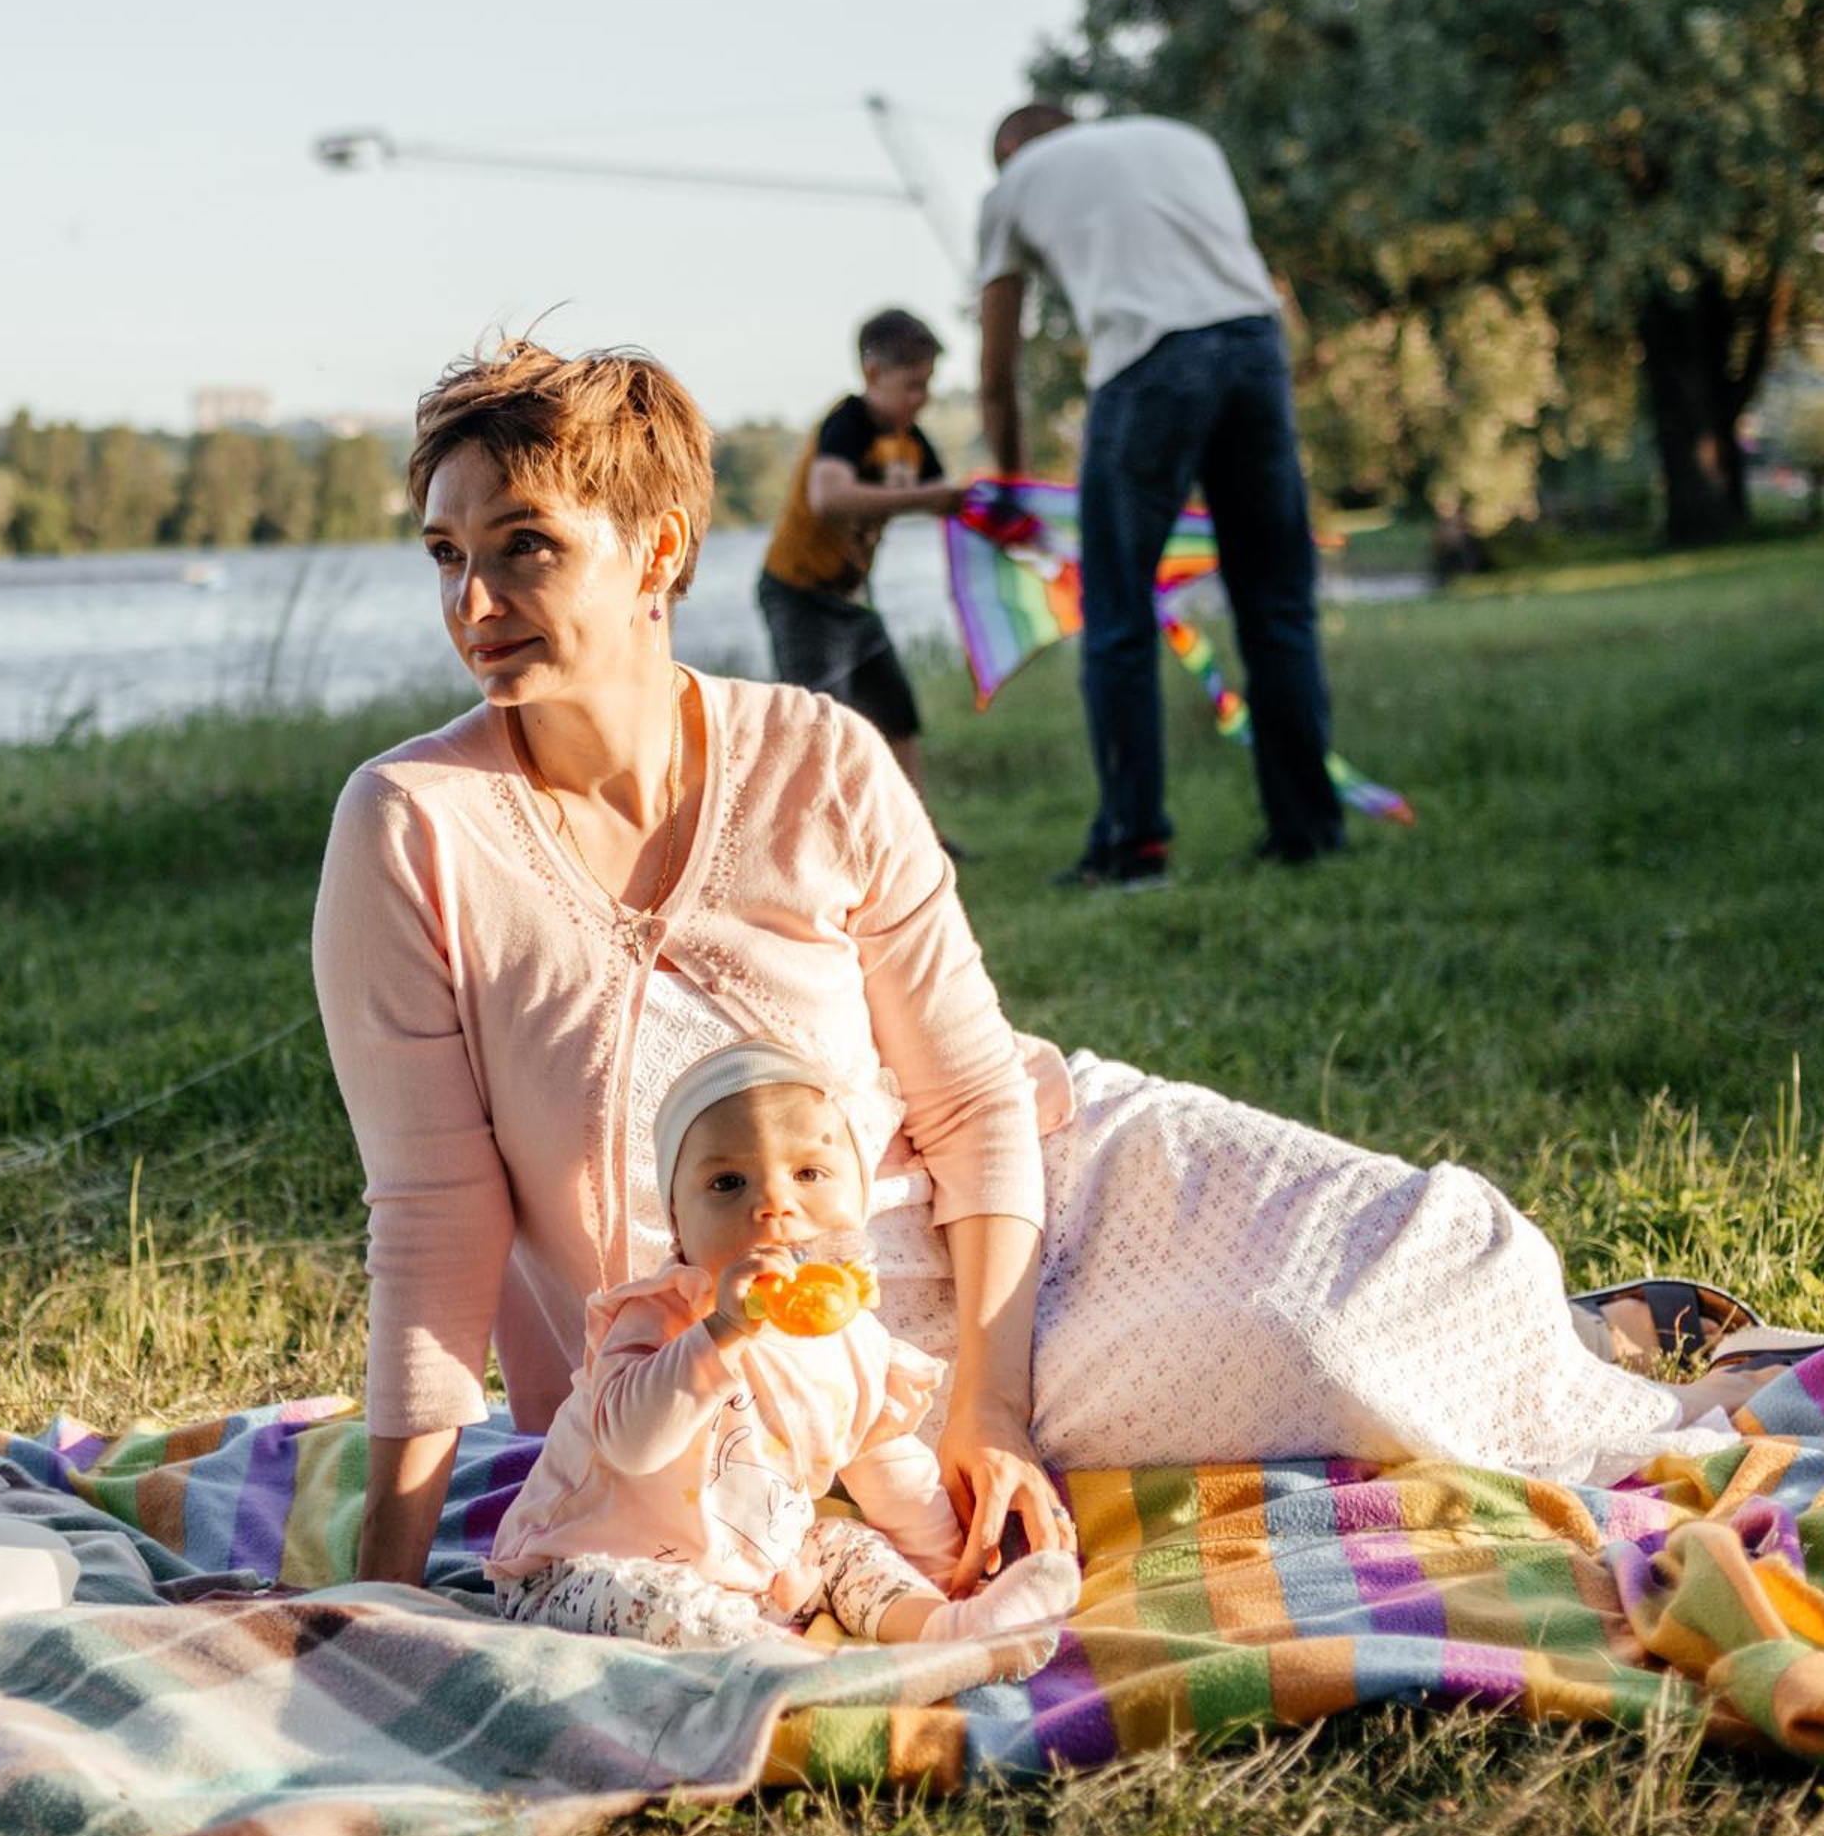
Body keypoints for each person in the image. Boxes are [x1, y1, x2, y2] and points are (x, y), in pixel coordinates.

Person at [312, 337, 1780, 1594]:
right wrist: (384, 1581)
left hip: (1022, 1202)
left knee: (1403, 1257)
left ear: (660, 553)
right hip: (784, 1354)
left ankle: (1597, 1327)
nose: (476, 601)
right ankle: (1586, 1334)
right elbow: (431, 1218)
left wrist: (990, 1412)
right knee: (1319, 1353)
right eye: (450, 555)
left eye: (525, 547)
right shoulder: (410, 828)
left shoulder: (815, 756)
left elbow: (965, 1101)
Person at [487, 1037, 1080, 1657]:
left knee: (847, 1547)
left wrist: (947, 1568)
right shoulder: (657, 1312)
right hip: (580, 1570)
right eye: (727, 1183)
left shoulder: (855, 1343)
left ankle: (952, 1625)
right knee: (658, 1602)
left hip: (755, 1576)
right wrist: (722, 1330)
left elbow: (892, 1475)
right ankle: (775, 1664)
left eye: (808, 1174)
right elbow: (633, 1444)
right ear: (676, 1225)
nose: (772, 1204)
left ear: (859, 1197)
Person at [973, 105, 1338, 889]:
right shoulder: (1184, 139)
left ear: (1008, 154)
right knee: (1277, 605)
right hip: (1254, 347)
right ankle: (1308, 830)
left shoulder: (1010, 189)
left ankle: (1133, 849)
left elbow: (998, 375)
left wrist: (1013, 491)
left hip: (1148, 366)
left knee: (1116, 616)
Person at [756, 308, 963, 801]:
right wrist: (922, 500)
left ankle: (920, 835)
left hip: (853, 601)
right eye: (912, 384)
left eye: (928, 384)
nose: (922, 398)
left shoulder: (909, 442)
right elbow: (829, 498)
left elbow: (949, 498)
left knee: (899, 715)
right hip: (799, 596)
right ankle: (817, 839)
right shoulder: (848, 423)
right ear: (873, 374)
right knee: (817, 725)